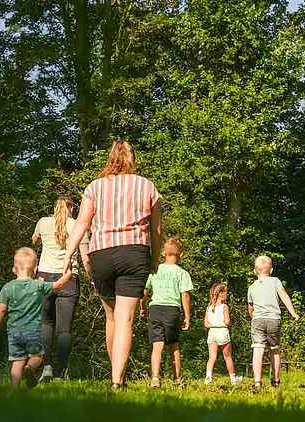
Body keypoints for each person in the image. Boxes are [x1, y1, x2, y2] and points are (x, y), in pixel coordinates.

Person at [62, 139, 163, 390]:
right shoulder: (147, 186)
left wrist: (68, 255)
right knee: (125, 318)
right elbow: (157, 230)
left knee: (111, 316)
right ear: (132, 159)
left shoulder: (94, 187)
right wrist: (154, 259)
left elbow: (82, 223)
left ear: (109, 158)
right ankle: (118, 380)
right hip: (134, 252)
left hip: (102, 254)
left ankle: (115, 375)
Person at [0, 247, 72, 389]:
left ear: (14, 269)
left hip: (14, 332)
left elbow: (1, 309)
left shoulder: (8, 288)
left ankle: (15, 390)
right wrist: (68, 274)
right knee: (37, 357)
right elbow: (58, 285)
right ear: (35, 269)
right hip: (33, 330)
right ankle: (30, 368)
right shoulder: (37, 285)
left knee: (17, 362)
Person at [31, 196, 90, 382]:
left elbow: (34, 241)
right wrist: (92, 278)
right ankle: (60, 373)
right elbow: (85, 258)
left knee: (46, 323)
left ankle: (46, 367)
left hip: (44, 278)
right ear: (71, 209)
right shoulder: (78, 226)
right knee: (64, 330)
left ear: (54, 207)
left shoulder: (43, 222)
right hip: (68, 278)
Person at [139, 237, 192, 388]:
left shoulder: (154, 270)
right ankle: (177, 379)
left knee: (157, 345)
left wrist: (143, 307)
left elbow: (144, 291)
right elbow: (185, 296)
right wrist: (187, 317)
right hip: (172, 310)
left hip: (155, 309)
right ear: (181, 255)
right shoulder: (182, 273)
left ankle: (155, 378)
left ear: (163, 253)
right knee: (174, 345)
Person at [248, 256, 300, 388]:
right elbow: (284, 297)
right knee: (274, 350)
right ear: (271, 270)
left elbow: (250, 309)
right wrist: (293, 313)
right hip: (273, 320)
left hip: (258, 319)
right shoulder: (275, 281)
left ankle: (257, 381)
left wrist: (255, 317)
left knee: (258, 350)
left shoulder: (251, 287)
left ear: (255, 271)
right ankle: (276, 380)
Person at [203, 283, 242, 385]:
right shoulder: (224, 307)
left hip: (212, 333)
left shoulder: (209, 307)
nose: (227, 295)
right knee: (227, 357)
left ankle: (208, 377)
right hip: (222, 332)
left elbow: (206, 324)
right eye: (225, 293)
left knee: (211, 357)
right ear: (221, 294)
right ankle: (233, 379)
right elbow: (227, 321)